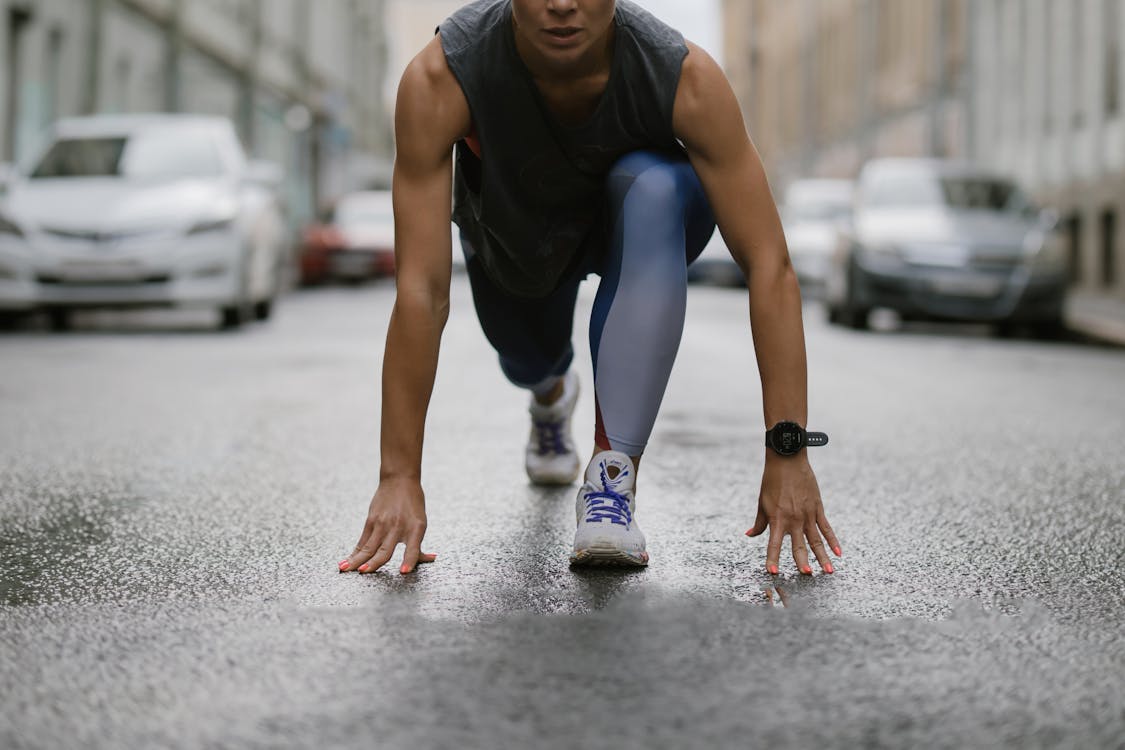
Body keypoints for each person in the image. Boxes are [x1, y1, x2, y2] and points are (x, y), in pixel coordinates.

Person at [338, 0, 841, 576]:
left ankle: (611, 479)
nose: (562, 4)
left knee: (652, 185)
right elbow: (421, 290)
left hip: (636, 223)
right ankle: (551, 394)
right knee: (529, 361)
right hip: (516, 239)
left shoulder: (683, 76)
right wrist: (398, 477)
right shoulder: (443, 77)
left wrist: (789, 450)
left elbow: (769, 266)